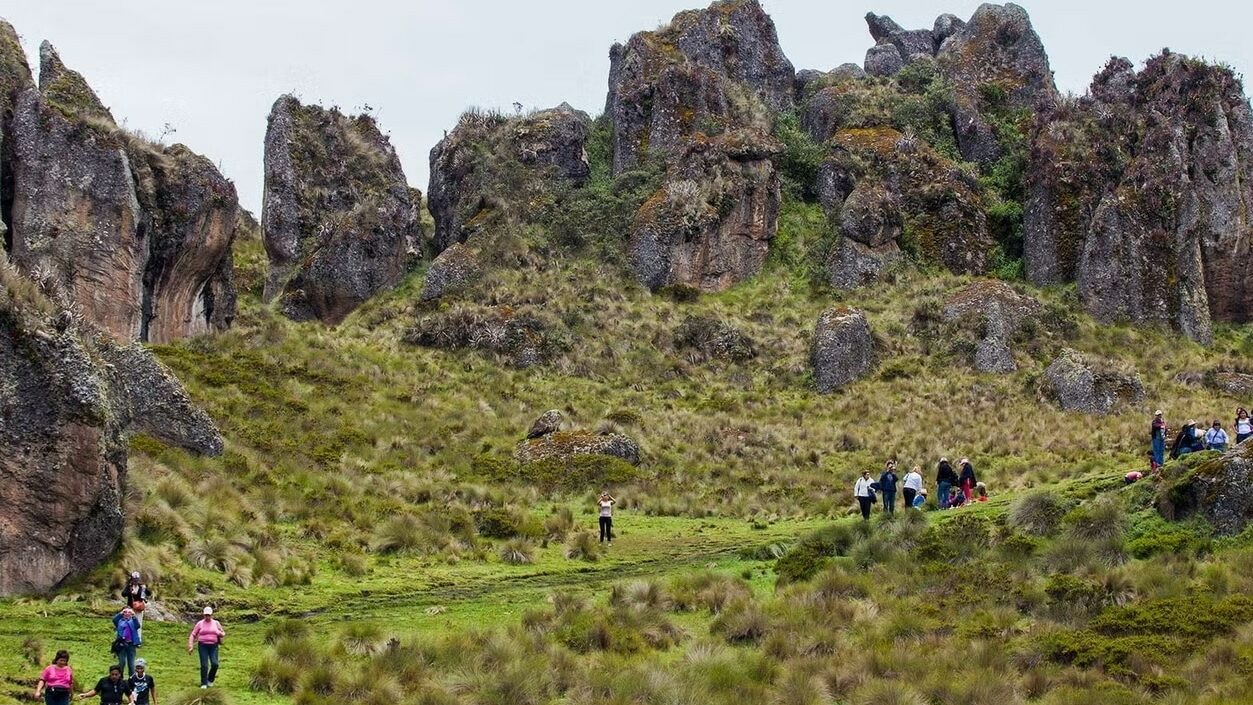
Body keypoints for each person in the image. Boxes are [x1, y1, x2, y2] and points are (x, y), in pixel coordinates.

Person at [188, 607, 225, 689]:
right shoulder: (200, 624)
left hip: (213, 646)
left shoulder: (216, 623)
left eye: (209, 615)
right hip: (203, 646)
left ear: (212, 615)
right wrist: (190, 645)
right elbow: (193, 634)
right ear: (204, 615)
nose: (207, 617)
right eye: (206, 615)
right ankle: (203, 683)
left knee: (215, 664)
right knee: (204, 665)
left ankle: (210, 680)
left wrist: (219, 633)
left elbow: (222, 633)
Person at [112, 608, 141, 678]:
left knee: (131, 664)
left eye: (129, 612)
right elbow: (114, 620)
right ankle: (120, 679)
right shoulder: (120, 621)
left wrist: (133, 615)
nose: (127, 614)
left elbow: (138, 625)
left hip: (131, 645)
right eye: (125, 612)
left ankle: (132, 680)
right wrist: (121, 613)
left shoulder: (133, 621)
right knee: (122, 663)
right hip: (122, 645)